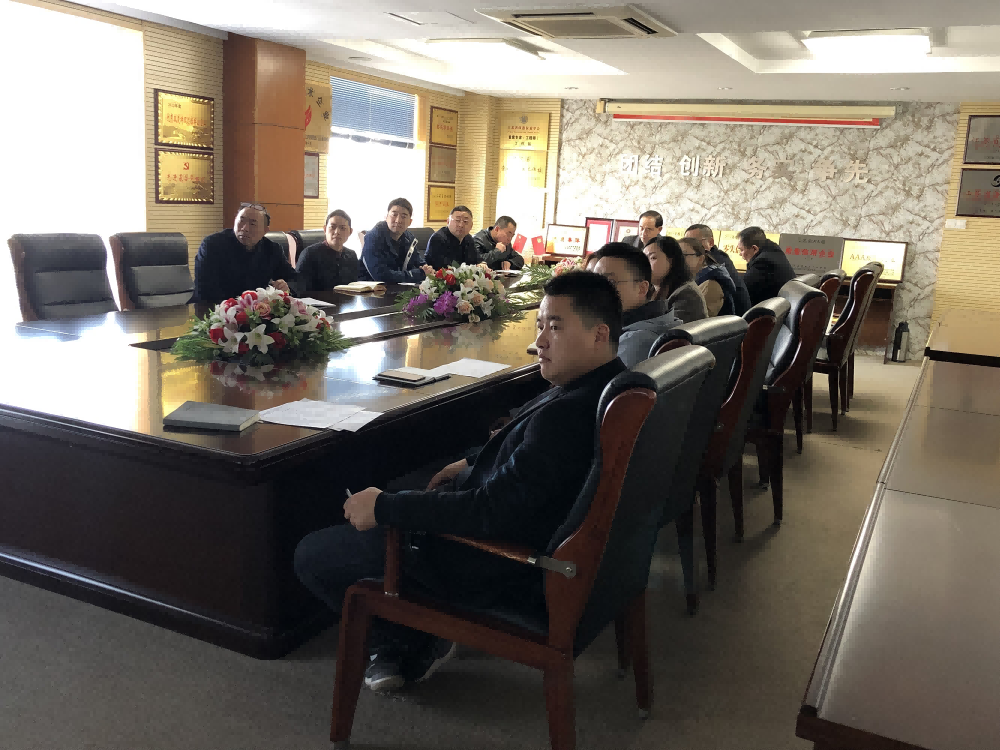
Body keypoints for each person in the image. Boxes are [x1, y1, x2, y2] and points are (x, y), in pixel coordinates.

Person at [294, 272, 627, 693]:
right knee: (414, 478)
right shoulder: (604, 385)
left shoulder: (568, 416)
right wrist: (469, 461)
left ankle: (409, 639)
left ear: (599, 334)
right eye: (540, 325)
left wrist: (384, 507)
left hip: (494, 563)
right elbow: (528, 467)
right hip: (520, 529)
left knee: (312, 553)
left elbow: (490, 512)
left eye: (555, 328)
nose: (540, 341)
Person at [191, 202, 298, 304]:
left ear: (265, 230)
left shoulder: (272, 249)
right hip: (211, 309)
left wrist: (285, 287)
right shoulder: (212, 244)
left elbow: (295, 280)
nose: (245, 228)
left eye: (253, 224)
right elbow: (205, 290)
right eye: (241, 221)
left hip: (255, 311)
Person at [592, 243, 679, 366]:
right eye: (595, 282)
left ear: (642, 288)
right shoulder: (663, 319)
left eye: (610, 282)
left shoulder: (636, 341)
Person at [359, 198, 435, 283]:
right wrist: (419, 274)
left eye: (403, 216)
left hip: (398, 287)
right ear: (386, 217)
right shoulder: (373, 237)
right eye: (394, 215)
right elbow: (381, 276)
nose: (398, 220)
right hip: (370, 288)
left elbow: (418, 261)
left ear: (410, 222)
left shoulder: (409, 239)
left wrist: (426, 268)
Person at [685, 223, 751, 314]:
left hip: (732, 318)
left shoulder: (714, 263)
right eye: (687, 243)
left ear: (711, 242)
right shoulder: (718, 257)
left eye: (695, 242)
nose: (690, 247)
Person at [643, 236, 708, 323]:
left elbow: (663, 329)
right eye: (644, 258)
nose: (645, 264)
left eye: (653, 258)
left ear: (672, 261)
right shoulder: (650, 290)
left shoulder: (686, 294)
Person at [295, 209, 359, 290]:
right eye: (333, 227)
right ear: (325, 229)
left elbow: (354, 287)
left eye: (342, 228)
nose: (337, 232)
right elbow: (299, 289)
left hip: (345, 298)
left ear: (350, 232)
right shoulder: (309, 254)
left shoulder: (352, 255)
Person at [737, 226, 796, 305]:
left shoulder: (763, 263)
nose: (740, 254)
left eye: (741, 250)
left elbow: (743, 291)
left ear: (754, 249)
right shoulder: (773, 252)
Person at [680, 237, 737, 317]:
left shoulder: (711, 284)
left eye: (683, 255)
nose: (678, 259)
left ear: (701, 259)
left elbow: (695, 319)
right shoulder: (695, 278)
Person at [425, 205, 485, 270]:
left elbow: (477, 259)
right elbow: (444, 269)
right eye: (457, 220)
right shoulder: (438, 239)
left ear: (471, 225)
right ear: (448, 221)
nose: (461, 225)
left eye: (465, 221)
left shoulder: (468, 238)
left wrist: (482, 264)